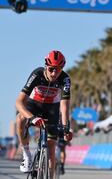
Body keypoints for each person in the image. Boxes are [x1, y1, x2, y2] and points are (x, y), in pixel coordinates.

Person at [15, 50, 73, 179]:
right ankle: (27, 155)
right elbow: (19, 102)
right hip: (34, 105)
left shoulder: (65, 79)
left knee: (51, 148)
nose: (54, 73)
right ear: (46, 66)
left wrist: (66, 128)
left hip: (52, 109)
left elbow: (64, 106)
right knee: (20, 118)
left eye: (58, 70)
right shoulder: (37, 74)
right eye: (51, 69)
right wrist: (32, 117)